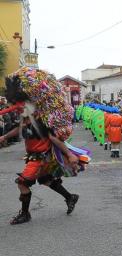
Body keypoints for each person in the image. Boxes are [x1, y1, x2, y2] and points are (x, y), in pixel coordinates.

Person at [0, 67, 80, 225]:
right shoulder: (28, 117)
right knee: (45, 180)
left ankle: (25, 214)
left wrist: (70, 155)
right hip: (33, 155)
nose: (19, 107)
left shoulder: (42, 119)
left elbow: (54, 138)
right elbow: (19, 128)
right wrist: (4, 136)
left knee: (23, 183)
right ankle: (70, 197)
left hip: (41, 157)